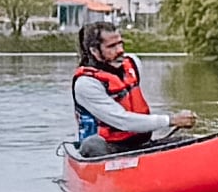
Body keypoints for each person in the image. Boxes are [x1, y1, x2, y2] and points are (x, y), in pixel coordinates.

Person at [72, 21, 197, 158]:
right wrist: (171, 120)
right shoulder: (86, 84)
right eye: (112, 46)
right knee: (92, 144)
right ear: (94, 51)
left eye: (120, 43)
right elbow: (123, 121)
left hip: (141, 144)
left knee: (190, 141)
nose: (120, 50)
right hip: (107, 149)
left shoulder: (133, 64)